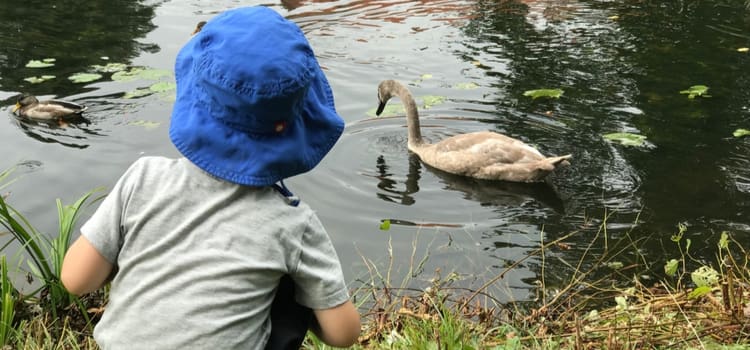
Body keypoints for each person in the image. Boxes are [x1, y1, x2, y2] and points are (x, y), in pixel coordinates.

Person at [60, 6, 361, 349]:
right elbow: (344, 335)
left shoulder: (143, 178)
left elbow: (76, 280)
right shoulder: (294, 223)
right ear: (300, 120)